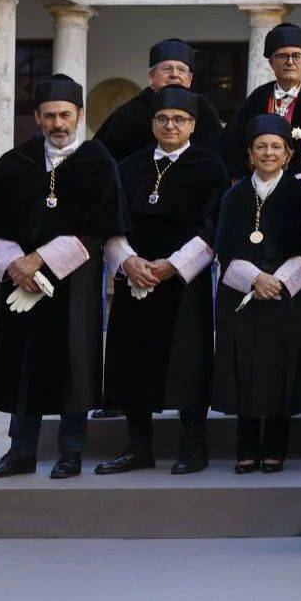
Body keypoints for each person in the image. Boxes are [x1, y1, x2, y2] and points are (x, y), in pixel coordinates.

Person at [0, 75, 129, 481]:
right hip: (21, 285)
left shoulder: (98, 162)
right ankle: (20, 451)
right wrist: (15, 266)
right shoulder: (16, 162)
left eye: (65, 115)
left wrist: (39, 260)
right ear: (37, 118)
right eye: (49, 116)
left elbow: (98, 230)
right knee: (23, 365)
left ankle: (71, 452)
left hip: (73, 282)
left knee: (74, 365)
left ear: (79, 115)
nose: (58, 123)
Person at [97, 87, 228, 476]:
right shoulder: (129, 167)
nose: (171, 126)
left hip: (185, 282)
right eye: (163, 119)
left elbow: (213, 229)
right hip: (135, 279)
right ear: (152, 123)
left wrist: (172, 266)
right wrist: (129, 261)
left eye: (180, 120)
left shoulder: (209, 167)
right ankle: (138, 446)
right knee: (131, 358)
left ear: (193, 125)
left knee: (189, 360)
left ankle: (193, 445)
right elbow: (111, 223)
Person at [212, 114, 301, 474]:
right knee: (244, 369)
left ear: (288, 154)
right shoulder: (234, 195)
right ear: (249, 154)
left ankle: (275, 448)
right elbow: (223, 247)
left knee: (280, 370)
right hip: (242, 295)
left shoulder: (300, 193)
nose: (268, 152)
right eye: (261, 147)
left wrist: (278, 280)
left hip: (287, 295)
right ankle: (246, 448)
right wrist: (255, 278)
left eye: (276, 146)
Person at [223, 22, 301, 177]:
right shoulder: (257, 99)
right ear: (271, 63)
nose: (290, 62)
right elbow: (232, 144)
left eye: (296, 56)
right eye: (282, 56)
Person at [93, 38, 227, 162]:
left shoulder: (203, 110)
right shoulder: (130, 114)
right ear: (151, 77)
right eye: (167, 69)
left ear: (190, 79)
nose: (174, 75)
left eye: (181, 70)